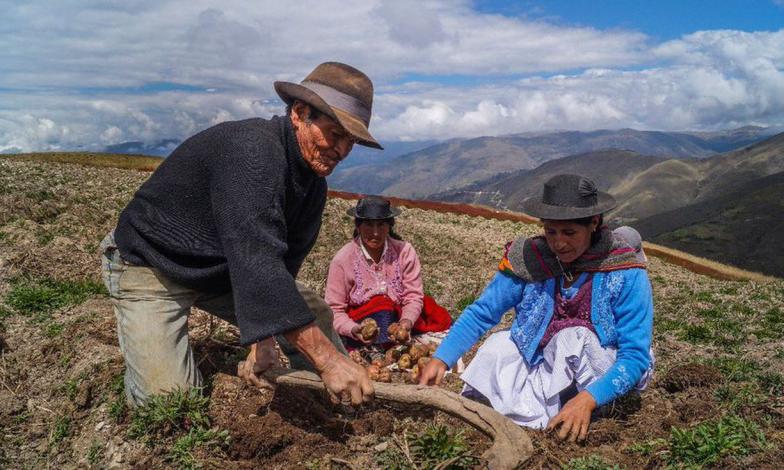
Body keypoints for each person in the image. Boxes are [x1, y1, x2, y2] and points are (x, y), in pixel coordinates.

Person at [99, 62, 381, 408]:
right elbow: (257, 265)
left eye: (349, 142)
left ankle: (334, 402)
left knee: (313, 312)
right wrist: (329, 360)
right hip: (150, 264)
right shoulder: (252, 152)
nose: (340, 151)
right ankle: (335, 374)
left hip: (222, 270)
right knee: (168, 402)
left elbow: (279, 268)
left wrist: (262, 337)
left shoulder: (312, 188)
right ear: (299, 113)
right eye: (334, 135)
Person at [419, 174, 654, 442]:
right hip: (547, 362)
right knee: (500, 345)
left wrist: (589, 399)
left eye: (570, 233)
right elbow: (483, 312)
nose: (558, 243)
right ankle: (539, 411)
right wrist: (442, 358)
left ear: (594, 223)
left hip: (604, 369)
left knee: (573, 337)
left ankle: (593, 412)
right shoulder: (531, 260)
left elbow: (634, 356)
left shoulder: (624, 269)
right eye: (550, 231)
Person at [325, 196, 451, 352]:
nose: (376, 232)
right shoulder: (343, 260)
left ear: (390, 226)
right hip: (361, 323)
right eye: (369, 225)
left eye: (381, 225)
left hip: (399, 318)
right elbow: (334, 310)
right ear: (358, 226)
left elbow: (413, 296)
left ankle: (389, 342)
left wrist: (406, 322)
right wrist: (354, 329)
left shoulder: (405, 252)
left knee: (430, 308)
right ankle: (377, 344)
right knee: (381, 305)